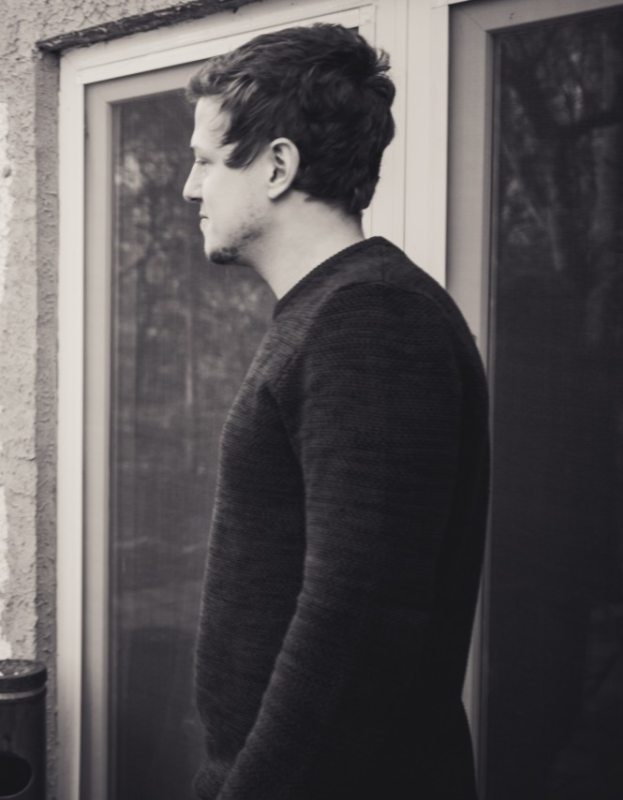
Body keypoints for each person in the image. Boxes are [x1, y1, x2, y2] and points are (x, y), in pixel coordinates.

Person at [182, 24, 489, 800]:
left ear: (277, 165)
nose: (189, 187)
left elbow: (357, 625)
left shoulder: (370, 320)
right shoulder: (332, 313)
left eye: (207, 160)